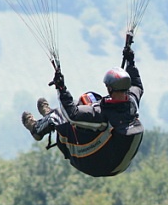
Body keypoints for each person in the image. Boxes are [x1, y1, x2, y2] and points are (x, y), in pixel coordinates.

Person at [21, 47, 144, 177]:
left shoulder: (102, 114)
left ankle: (38, 128)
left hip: (93, 162)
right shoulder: (132, 102)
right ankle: (50, 116)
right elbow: (137, 86)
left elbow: (72, 114)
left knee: (62, 116)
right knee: (89, 98)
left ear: (109, 88)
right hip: (115, 159)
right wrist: (130, 62)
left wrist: (61, 88)